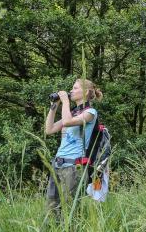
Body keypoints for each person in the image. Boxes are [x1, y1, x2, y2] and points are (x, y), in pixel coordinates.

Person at [44, 78, 103, 217]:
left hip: (73, 166)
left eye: (75, 88)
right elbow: (49, 129)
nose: (71, 91)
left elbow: (68, 122)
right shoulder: (74, 111)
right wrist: (54, 106)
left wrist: (64, 101)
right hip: (58, 164)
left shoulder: (90, 113)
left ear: (86, 92)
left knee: (68, 209)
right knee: (51, 207)